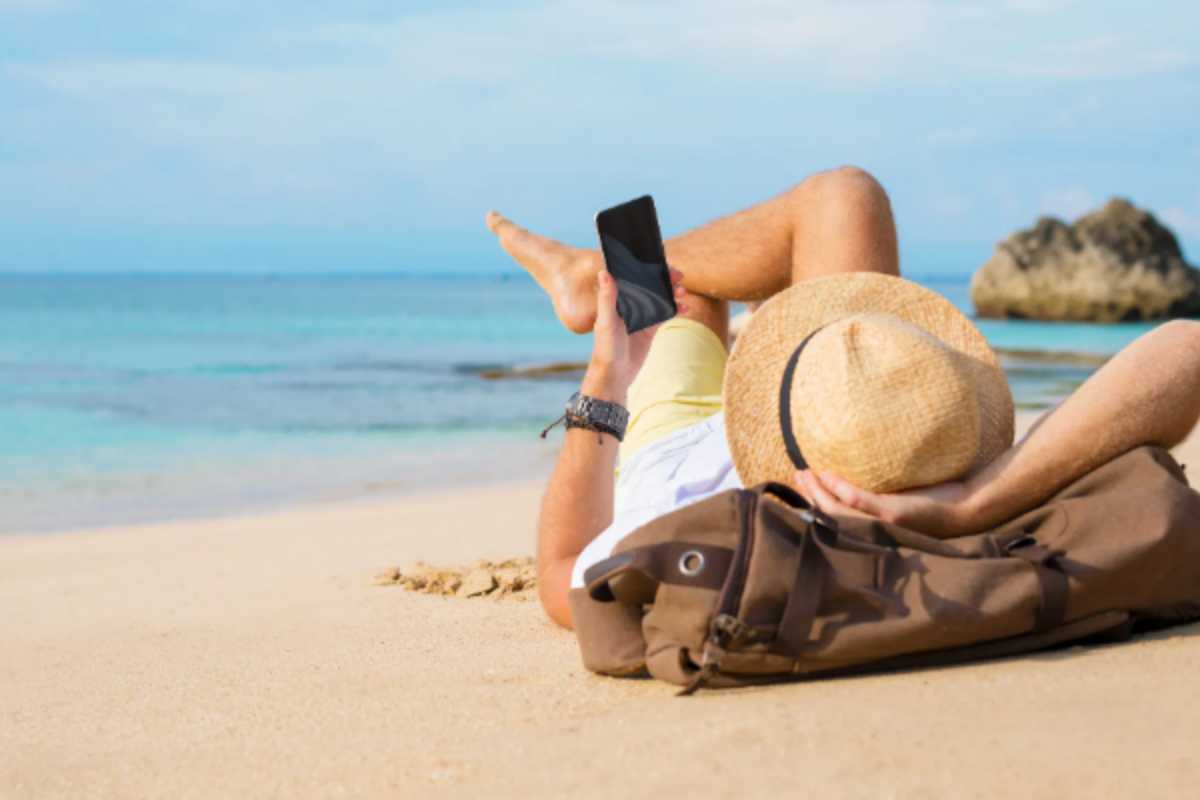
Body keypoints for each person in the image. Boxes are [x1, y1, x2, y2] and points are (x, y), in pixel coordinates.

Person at [486, 166, 1200, 629]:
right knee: (844, 197)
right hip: (841, 410)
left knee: (689, 300)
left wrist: (604, 379)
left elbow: (561, 569)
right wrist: (974, 501)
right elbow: (1187, 350)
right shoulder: (942, 472)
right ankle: (596, 273)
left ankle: (592, 277)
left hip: (681, 455)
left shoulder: (703, 547)